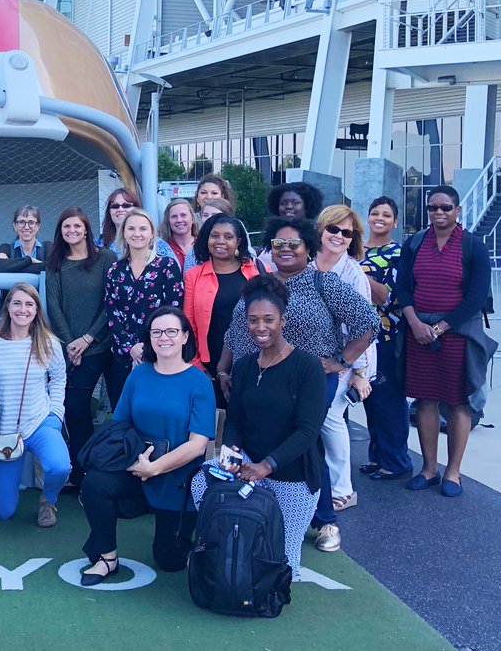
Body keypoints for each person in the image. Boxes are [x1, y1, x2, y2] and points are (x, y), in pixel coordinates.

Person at [220, 217, 378, 553]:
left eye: (294, 243)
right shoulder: (258, 285)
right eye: (279, 244)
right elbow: (234, 331)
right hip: (257, 377)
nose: (287, 250)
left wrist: (342, 361)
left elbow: (368, 322)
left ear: (309, 247)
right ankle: (261, 509)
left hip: (310, 380)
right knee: (257, 439)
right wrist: (224, 370)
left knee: (304, 441)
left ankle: (325, 521)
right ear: (270, 249)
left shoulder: (325, 284)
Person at [193, 276, 327, 577]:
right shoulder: (243, 365)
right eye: (253, 320)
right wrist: (232, 457)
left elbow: (308, 431)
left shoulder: (307, 367)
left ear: (283, 320)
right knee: (200, 481)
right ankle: (220, 549)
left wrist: (266, 466)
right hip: (248, 469)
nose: (260, 328)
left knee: (283, 566)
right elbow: (236, 420)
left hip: (293, 477)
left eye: (268, 319)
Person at [79, 307, 214, 584]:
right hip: (135, 466)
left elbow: (197, 445)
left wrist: (154, 468)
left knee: (169, 560)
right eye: (157, 332)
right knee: (95, 482)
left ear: (185, 337)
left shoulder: (199, 382)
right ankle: (107, 557)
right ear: (149, 338)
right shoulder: (138, 376)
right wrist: (136, 463)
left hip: (177, 476)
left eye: (172, 331)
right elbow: (120, 424)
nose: (164, 338)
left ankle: (188, 537)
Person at [397, 185, 495, 498]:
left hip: (457, 334)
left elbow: (476, 296)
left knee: (457, 401)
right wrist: (414, 323)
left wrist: (438, 328)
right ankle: (428, 468)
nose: (439, 213)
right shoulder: (414, 243)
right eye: (433, 207)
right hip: (418, 332)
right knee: (424, 400)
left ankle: (452, 472)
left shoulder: (472, 245)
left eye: (446, 207)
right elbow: (403, 288)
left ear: (457, 210)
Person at [0, 283, 69, 527]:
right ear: (8, 307)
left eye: (29, 304)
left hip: (40, 422)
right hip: (4, 433)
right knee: (3, 512)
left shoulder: (48, 342)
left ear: (36, 310)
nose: (23, 309)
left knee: (59, 466)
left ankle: (48, 500)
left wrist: (55, 415)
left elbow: (59, 378)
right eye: (17, 303)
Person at [45, 207, 117, 488]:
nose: (72, 231)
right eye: (66, 227)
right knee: (74, 410)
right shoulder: (55, 263)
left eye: (77, 226)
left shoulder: (106, 259)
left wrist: (87, 339)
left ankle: (97, 471)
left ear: (86, 228)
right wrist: (70, 342)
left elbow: (110, 304)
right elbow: (53, 306)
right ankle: (79, 472)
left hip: (101, 345)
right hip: (68, 348)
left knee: (98, 407)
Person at [312, 205, 376, 512]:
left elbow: (365, 326)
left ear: (354, 239)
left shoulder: (352, 274)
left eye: (346, 232)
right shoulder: (305, 262)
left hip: (343, 360)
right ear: (321, 229)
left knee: (330, 418)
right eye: (333, 229)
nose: (338, 236)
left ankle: (343, 489)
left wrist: (357, 370)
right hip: (308, 358)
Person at [183, 214, 261, 412]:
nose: (220, 241)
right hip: (209, 365)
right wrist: (196, 364)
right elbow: (188, 324)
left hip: (252, 362)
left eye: (228, 236)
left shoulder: (256, 272)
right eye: (214, 236)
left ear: (239, 242)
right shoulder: (193, 276)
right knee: (215, 427)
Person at [104, 208, 183, 403]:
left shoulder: (166, 266)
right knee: (123, 412)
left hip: (159, 353)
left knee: (155, 411)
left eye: (142, 229)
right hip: (124, 356)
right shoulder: (115, 270)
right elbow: (112, 312)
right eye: (131, 228)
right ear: (123, 233)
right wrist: (130, 347)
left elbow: (173, 311)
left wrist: (148, 346)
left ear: (151, 234)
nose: (137, 233)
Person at [359, 196, 413, 480]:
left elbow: (386, 296)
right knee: (369, 398)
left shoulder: (397, 253)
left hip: (384, 335)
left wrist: (356, 273)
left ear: (394, 222)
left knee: (388, 399)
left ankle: (397, 460)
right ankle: (378, 456)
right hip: (357, 337)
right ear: (367, 217)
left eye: (387, 215)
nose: (380, 218)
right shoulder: (355, 248)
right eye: (375, 213)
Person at [255, 183, 325, 269]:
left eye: (295, 203)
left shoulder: (319, 239)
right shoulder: (269, 238)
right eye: (283, 203)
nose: (289, 206)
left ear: (306, 207)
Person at [0, 205, 50, 274]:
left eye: (31, 223)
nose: (26, 227)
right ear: (15, 226)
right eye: (21, 222)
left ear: (38, 226)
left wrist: (12, 266)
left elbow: (52, 267)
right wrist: (29, 260)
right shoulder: (6, 248)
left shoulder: (47, 247)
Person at [156, 198, 199, 273]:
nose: (179, 220)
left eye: (183, 215)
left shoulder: (202, 244)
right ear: (168, 221)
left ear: (192, 219)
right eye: (174, 216)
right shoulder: (160, 249)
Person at [96, 187, 140, 254]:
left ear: (137, 209)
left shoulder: (155, 244)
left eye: (126, 205)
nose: (120, 209)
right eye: (115, 206)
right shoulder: (99, 244)